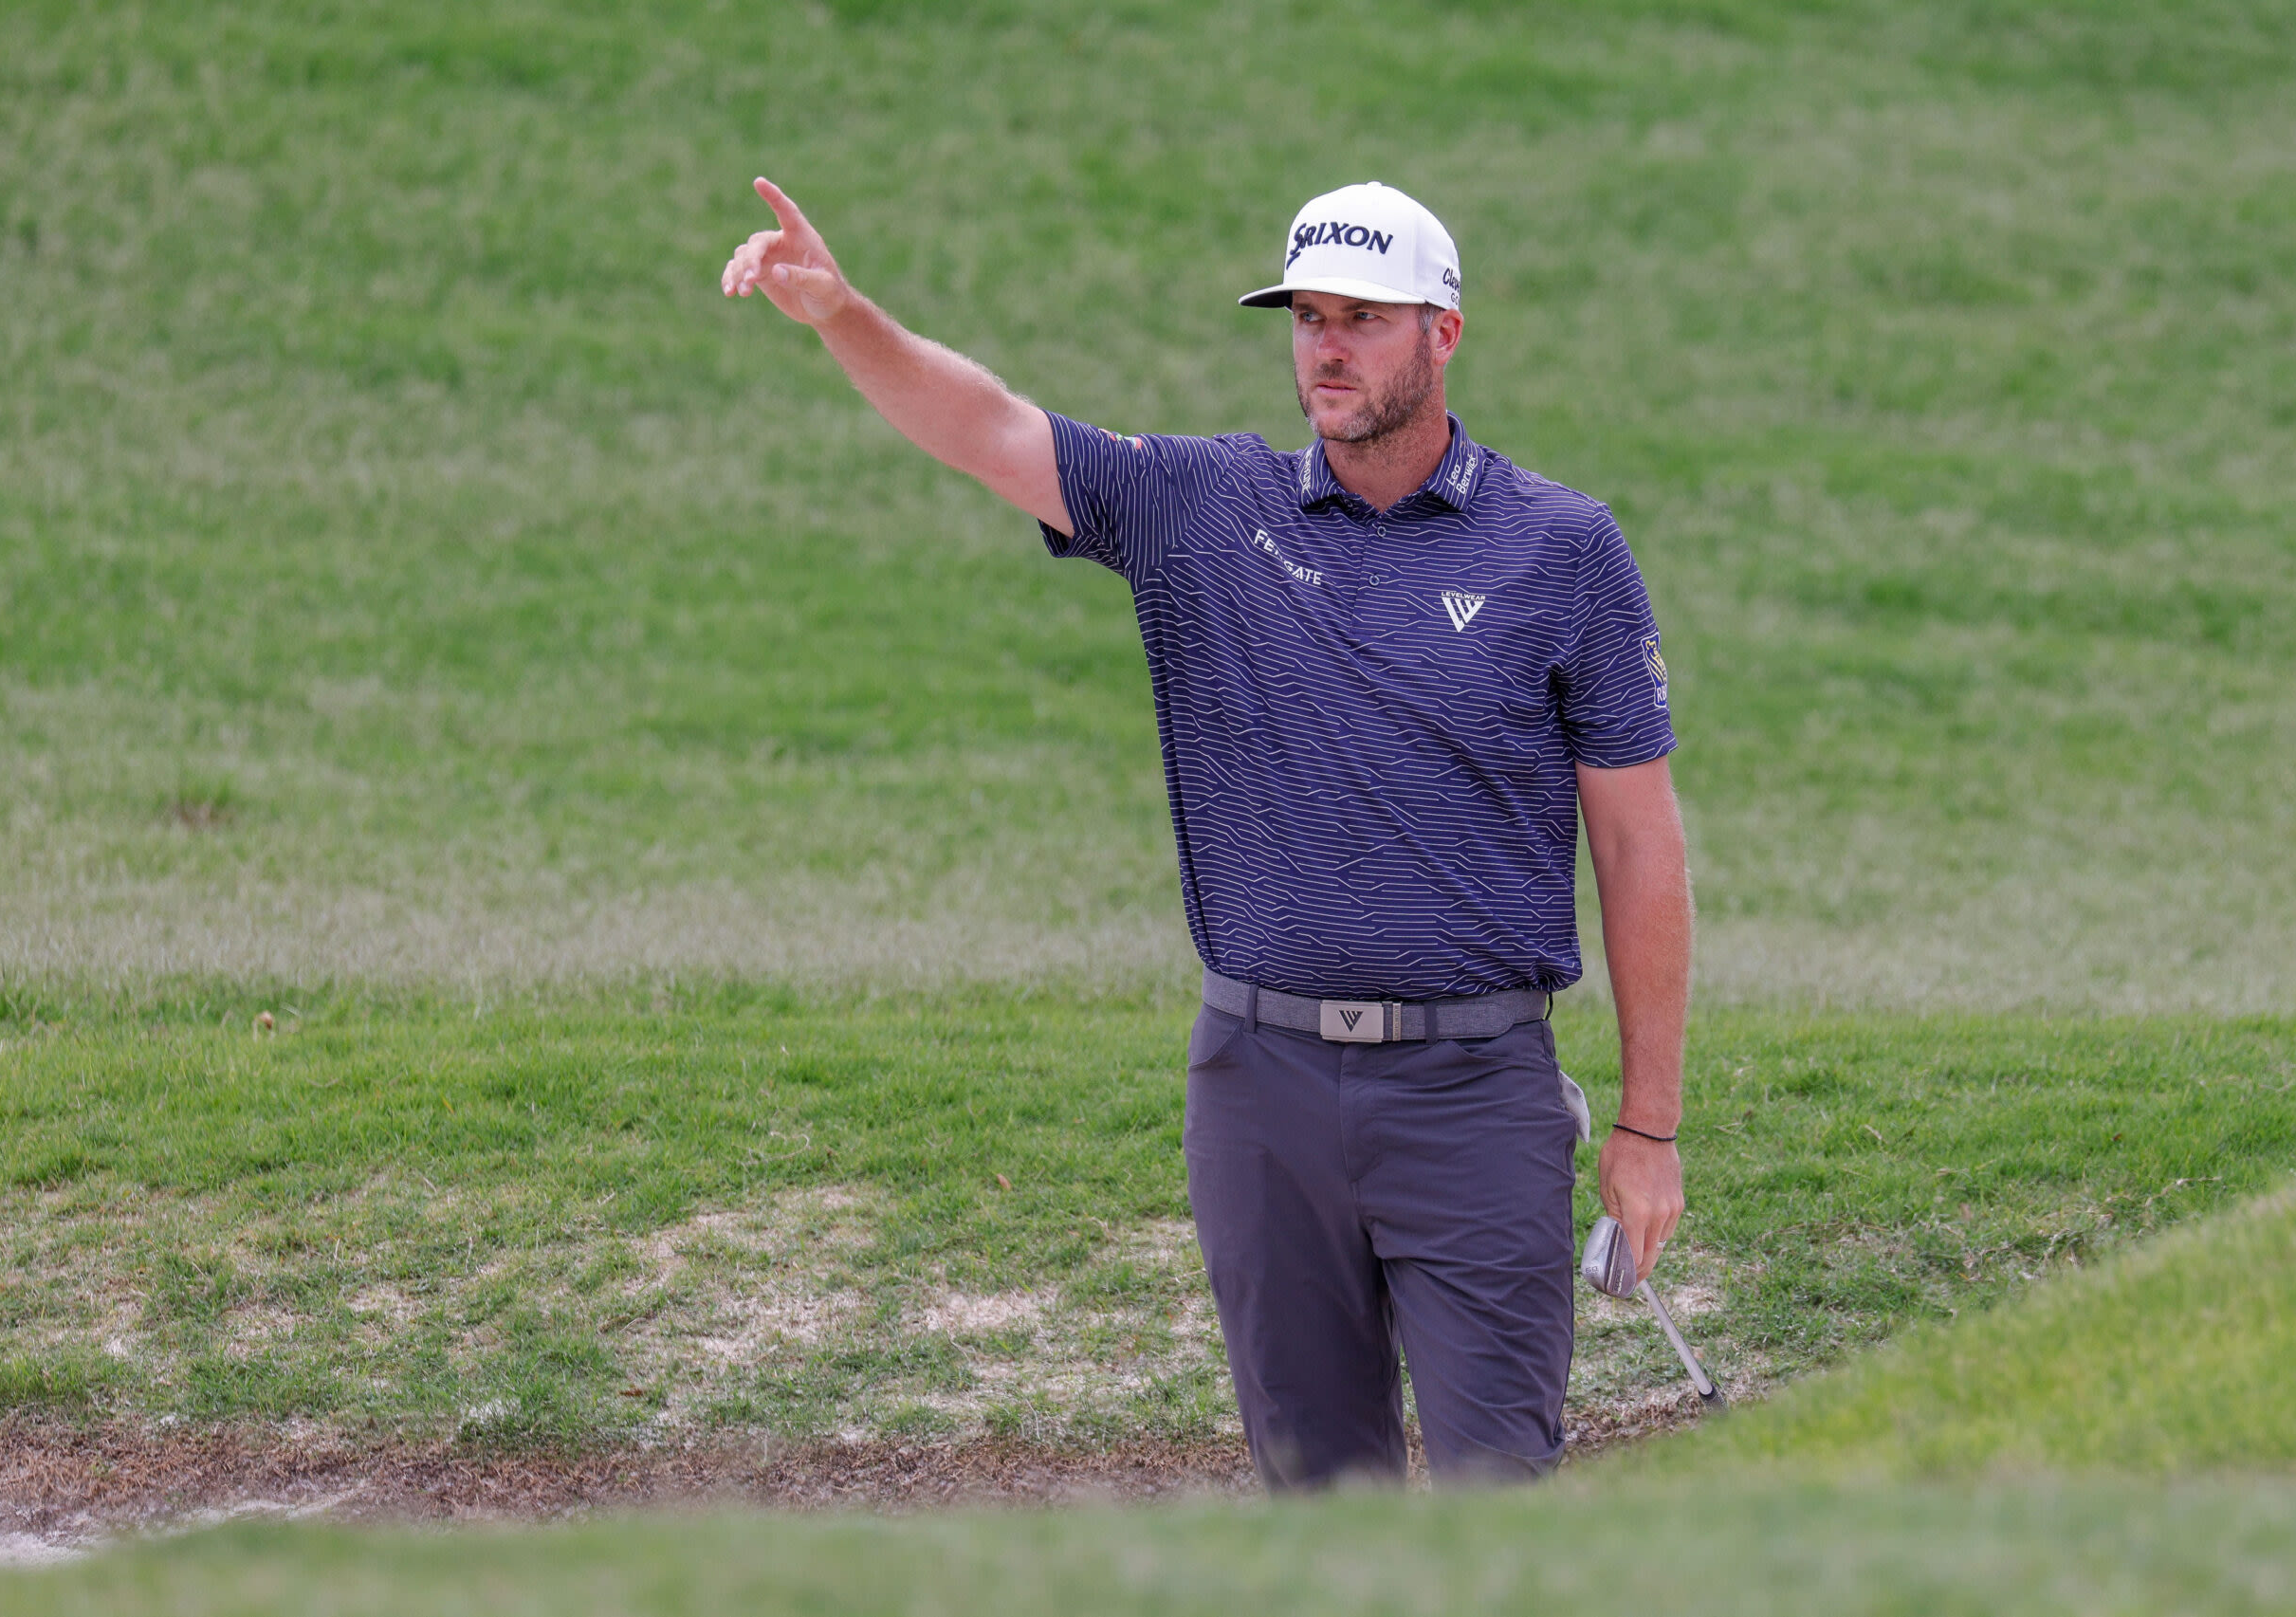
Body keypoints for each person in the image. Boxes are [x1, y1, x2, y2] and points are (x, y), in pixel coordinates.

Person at [723, 177, 1692, 1489]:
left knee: (1497, 1508)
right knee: (1316, 1501)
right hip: (1260, 1093)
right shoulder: (1207, 509)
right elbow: (991, 428)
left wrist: (1650, 1126)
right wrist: (844, 317)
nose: (1326, 349)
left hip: (1477, 1099)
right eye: (1306, 319)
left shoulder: (1563, 549)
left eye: (1360, 318)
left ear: (1443, 334)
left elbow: (1641, 847)